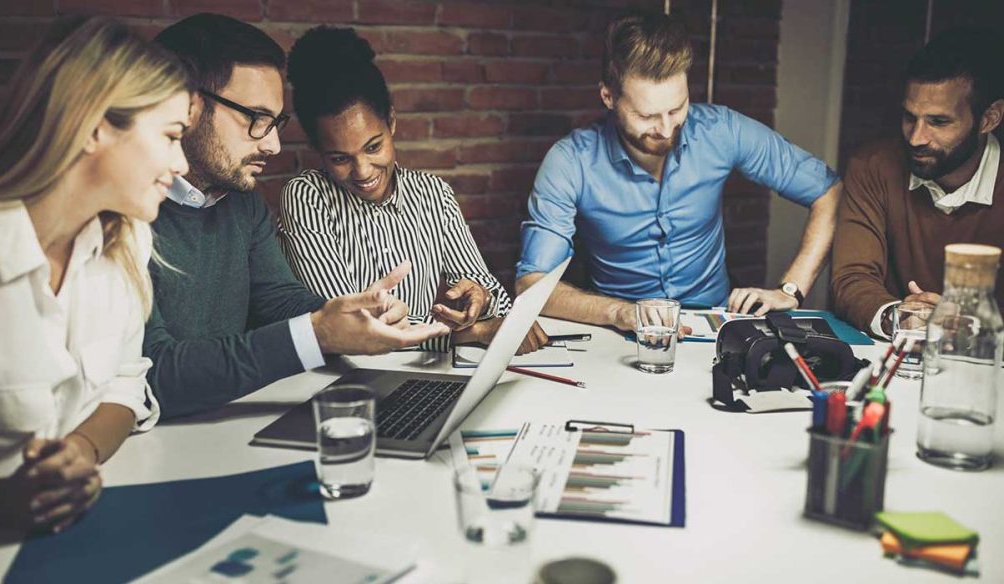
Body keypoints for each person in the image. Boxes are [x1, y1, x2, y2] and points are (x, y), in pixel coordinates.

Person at [148, 14, 448, 419]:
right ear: (187, 104)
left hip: (230, 421)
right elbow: (154, 373)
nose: (271, 144)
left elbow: (276, 299)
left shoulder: (242, 202)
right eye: (255, 119)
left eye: (275, 123)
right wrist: (317, 333)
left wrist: (346, 317)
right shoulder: (127, 211)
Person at [0, 16, 189, 539]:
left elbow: (124, 384)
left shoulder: (127, 243)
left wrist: (80, 452)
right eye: (170, 136)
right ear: (96, 126)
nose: (181, 163)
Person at [516, 12, 840, 330]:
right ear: (608, 96)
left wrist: (791, 290)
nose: (667, 128)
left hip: (716, 327)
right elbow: (532, 284)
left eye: (677, 108)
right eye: (647, 116)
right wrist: (618, 313)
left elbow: (828, 191)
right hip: (619, 334)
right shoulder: (569, 162)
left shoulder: (721, 130)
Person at [279, 26, 548, 354]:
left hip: (419, 375)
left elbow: (494, 295)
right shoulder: (306, 198)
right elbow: (353, 329)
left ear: (391, 122)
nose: (363, 172)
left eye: (374, 146)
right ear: (317, 150)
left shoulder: (434, 195)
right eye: (339, 158)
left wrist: (481, 298)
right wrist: (474, 332)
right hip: (345, 384)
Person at [832, 29, 1004, 338]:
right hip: (898, 359)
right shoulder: (872, 166)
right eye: (910, 117)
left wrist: (968, 327)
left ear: (988, 119)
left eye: (939, 122)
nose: (916, 137)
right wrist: (899, 317)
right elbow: (852, 277)